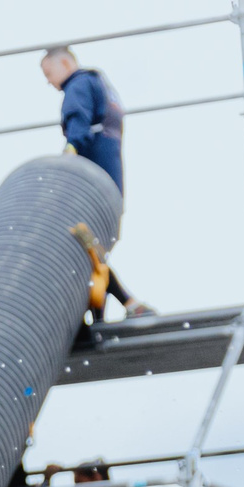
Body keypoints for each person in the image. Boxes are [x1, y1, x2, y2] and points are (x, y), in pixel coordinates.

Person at [40, 47, 155, 320]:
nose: (48, 80)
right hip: (111, 183)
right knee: (92, 246)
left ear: (66, 62)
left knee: (80, 241)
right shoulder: (102, 85)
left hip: (89, 182)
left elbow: (77, 118)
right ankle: (125, 303)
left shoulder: (78, 84)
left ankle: (103, 313)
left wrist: (69, 151)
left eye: (48, 73)